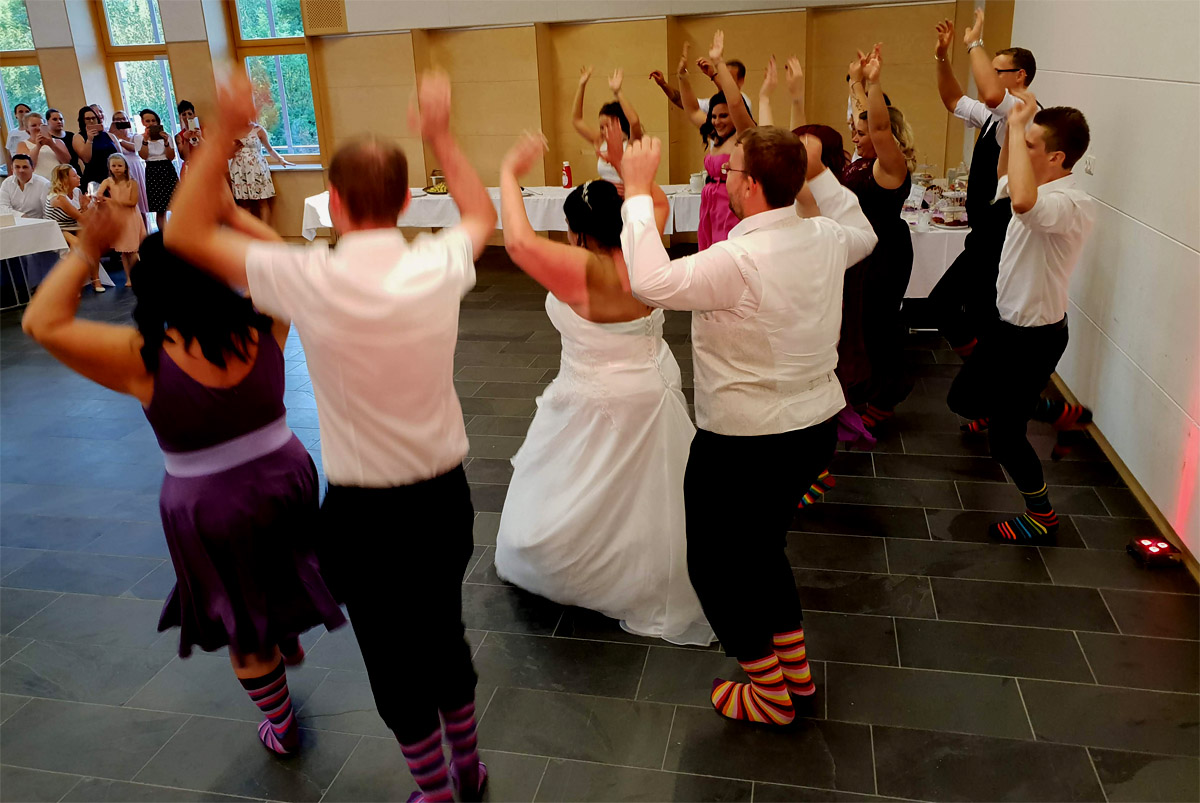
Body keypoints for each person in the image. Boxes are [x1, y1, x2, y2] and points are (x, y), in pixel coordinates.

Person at [165, 69, 495, 803]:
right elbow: (480, 213)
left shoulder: (307, 276)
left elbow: (183, 231)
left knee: (391, 655)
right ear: (407, 201)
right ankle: (468, 769)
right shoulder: (438, 262)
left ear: (333, 204)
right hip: (443, 499)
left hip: (364, 514)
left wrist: (225, 132)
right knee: (444, 633)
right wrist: (441, 134)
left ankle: (436, 791)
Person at [20, 201, 346, 758]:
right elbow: (281, 259)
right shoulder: (264, 323)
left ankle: (281, 724)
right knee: (279, 564)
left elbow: (40, 322)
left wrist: (86, 249)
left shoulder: (144, 357)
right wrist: (229, 217)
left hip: (210, 505)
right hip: (286, 477)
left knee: (242, 618)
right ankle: (284, 632)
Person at [620, 129, 876, 726]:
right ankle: (796, 678)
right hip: (814, 429)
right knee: (762, 550)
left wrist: (634, 192)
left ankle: (769, 693)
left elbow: (649, 283)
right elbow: (864, 230)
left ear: (752, 186)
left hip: (744, 442)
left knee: (715, 567)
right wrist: (818, 173)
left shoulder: (737, 261)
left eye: (729, 171)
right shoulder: (825, 236)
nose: (724, 178)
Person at [494, 130, 713, 647]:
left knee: (582, 484)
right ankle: (647, 572)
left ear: (577, 234)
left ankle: (586, 570)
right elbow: (656, 203)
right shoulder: (646, 247)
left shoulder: (582, 269)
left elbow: (519, 243)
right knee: (648, 495)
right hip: (651, 388)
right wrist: (627, 170)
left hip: (594, 396)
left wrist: (507, 172)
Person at [947, 95, 1094, 542]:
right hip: (1005, 328)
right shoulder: (1032, 185)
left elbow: (1025, 202)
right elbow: (1005, 178)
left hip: (1034, 338)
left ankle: (1041, 516)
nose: (1019, 152)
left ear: (1056, 157)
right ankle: (1056, 411)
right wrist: (1012, 125)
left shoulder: (1069, 204)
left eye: (1030, 145)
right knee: (964, 400)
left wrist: (1015, 126)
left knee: (1006, 440)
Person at [929, 10, 1037, 364]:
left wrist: (973, 42)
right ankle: (986, 375)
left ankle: (985, 373)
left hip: (1001, 231)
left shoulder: (1022, 110)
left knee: (946, 303)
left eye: (997, 70)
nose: (987, 75)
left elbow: (991, 94)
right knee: (976, 311)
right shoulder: (996, 116)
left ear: (1020, 76)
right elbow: (953, 101)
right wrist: (942, 57)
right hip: (984, 229)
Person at [842, 45, 915, 429]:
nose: (855, 135)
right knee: (861, 321)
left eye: (861, 132)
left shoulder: (890, 166)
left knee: (879, 323)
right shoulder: (864, 160)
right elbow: (866, 119)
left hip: (885, 252)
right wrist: (855, 81)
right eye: (854, 130)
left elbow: (879, 126)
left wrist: (873, 81)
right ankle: (869, 387)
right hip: (862, 249)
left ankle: (888, 394)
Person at [679, 31, 757, 250]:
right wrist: (683, 77)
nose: (717, 121)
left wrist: (718, 63)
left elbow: (736, 103)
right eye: (714, 116)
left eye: (724, 116)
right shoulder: (715, 135)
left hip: (732, 204)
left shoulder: (744, 136)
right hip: (710, 204)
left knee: (728, 252)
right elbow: (692, 110)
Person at [571, 66, 643, 186]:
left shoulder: (631, 143)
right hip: (605, 195)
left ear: (619, 124)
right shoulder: (600, 141)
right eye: (601, 127)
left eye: (607, 126)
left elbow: (634, 122)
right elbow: (576, 120)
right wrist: (581, 85)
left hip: (628, 195)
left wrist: (618, 92)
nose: (603, 131)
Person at [44, 164, 105, 294]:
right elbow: (82, 218)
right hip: (57, 228)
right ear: (65, 179)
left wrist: (87, 206)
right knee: (77, 245)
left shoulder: (77, 191)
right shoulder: (59, 198)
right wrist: (93, 206)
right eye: (74, 176)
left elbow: (81, 214)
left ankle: (96, 279)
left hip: (73, 225)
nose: (79, 177)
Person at [652, 45, 753, 115]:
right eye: (714, 117)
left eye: (729, 78)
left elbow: (732, 98)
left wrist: (713, 75)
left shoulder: (744, 102)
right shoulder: (714, 104)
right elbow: (684, 102)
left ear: (741, 81)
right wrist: (664, 84)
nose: (717, 122)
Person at [229, 118, 294, 224]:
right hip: (239, 170)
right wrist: (233, 148)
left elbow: (269, 149)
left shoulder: (258, 129)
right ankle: (249, 231)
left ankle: (265, 231)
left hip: (256, 168)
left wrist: (280, 159)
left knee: (262, 202)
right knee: (244, 204)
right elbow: (227, 154)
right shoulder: (232, 131)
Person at [98, 154, 146, 286]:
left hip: (130, 217)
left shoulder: (132, 182)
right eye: (114, 166)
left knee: (133, 250)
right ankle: (129, 277)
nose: (117, 168)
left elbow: (132, 202)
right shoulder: (108, 181)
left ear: (125, 167)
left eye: (120, 166)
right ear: (109, 167)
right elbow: (99, 193)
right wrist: (98, 196)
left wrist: (111, 201)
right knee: (124, 251)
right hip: (118, 217)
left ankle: (138, 276)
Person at [137, 108, 178, 231]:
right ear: (143, 122)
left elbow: (171, 156)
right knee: (160, 209)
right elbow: (143, 156)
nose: (151, 123)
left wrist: (166, 142)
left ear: (157, 121)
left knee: (176, 203)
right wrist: (145, 140)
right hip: (152, 170)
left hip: (167, 168)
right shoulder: (139, 138)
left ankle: (179, 233)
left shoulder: (167, 136)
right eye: (147, 121)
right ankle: (163, 236)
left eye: (153, 120)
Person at [111, 110, 151, 225]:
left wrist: (120, 140)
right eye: (117, 119)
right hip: (121, 170)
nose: (120, 121)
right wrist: (112, 134)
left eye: (123, 119)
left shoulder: (134, 136)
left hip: (135, 168)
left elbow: (135, 148)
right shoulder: (111, 136)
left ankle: (145, 229)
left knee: (141, 205)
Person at [74, 105, 120, 193]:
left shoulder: (109, 135)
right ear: (82, 121)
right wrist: (90, 139)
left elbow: (120, 156)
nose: (91, 121)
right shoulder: (78, 137)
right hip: (94, 178)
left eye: (93, 118)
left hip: (113, 175)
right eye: (88, 119)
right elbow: (86, 159)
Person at [16, 113, 69, 180]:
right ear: (27, 129)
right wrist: (38, 147)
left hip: (59, 180)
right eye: (33, 125)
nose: (38, 128)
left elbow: (66, 161)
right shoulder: (22, 144)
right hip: (38, 182)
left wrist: (52, 145)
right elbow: (27, 165)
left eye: (41, 125)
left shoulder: (58, 142)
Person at [45, 109, 80, 176]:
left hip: (75, 171)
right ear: (47, 121)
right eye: (55, 119)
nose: (59, 122)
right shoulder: (47, 139)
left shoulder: (71, 136)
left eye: (61, 119)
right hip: (60, 173)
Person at [175, 100, 204, 180]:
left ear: (194, 114)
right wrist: (186, 140)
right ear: (180, 116)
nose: (187, 117)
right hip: (190, 169)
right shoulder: (179, 136)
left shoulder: (204, 130)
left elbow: (211, 151)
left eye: (189, 113)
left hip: (205, 165)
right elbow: (185, 157)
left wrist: (200, 138)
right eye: (184, 114)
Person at [5, 102, 31, 174]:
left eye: (27, 112)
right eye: (20, 111)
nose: (24, 114)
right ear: (16, 115)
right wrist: (10, 172)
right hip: (17, 168)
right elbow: (9, 154)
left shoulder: (33, 131)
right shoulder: (12, 133)